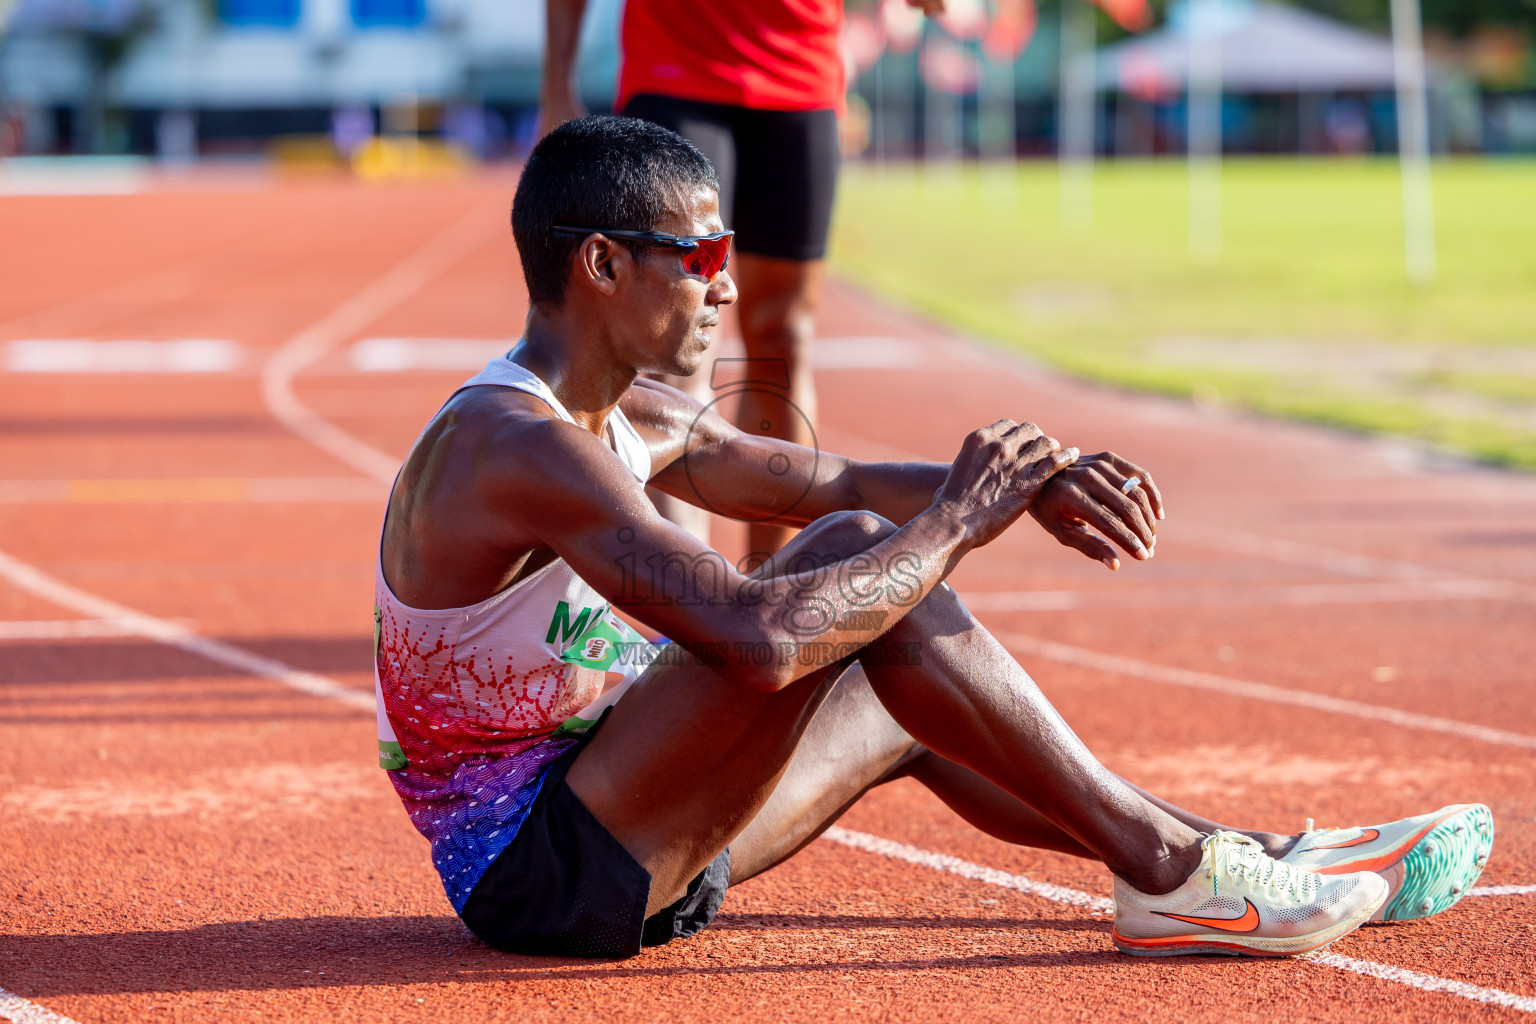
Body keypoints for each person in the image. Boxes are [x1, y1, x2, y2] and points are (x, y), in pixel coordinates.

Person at [372, 117, 1494, 960]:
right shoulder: (510, 443)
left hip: (639, 818)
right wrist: (960, 516)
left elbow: (842, 473)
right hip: (542, 872)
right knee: (852, 564)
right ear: (603, 265)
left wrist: (1035, 482)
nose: (727, 285)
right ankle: (1181, 875)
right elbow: (754, 639)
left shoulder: (636, 411)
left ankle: (1234, 859)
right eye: (703, 255)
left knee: (898, 680)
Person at [539, 0, 943, 561]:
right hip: (677, 69)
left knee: (784, 334)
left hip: (800, 78)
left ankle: (772, 581)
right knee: (671, 338)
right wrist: (556, 82)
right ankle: (685, 596)